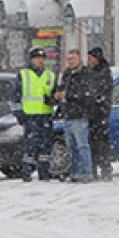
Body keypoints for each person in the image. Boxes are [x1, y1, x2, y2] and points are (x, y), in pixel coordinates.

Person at [54, 49, 96, 183]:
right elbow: (61, 89)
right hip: (68, 115)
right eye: (69, 59)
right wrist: (57, 95)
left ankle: (87, 173)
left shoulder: (86, 74)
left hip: (80, 115)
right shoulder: (66, 74)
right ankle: (75, 173)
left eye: (73, 59)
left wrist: (69, 95)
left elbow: (87, 95)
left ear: (79, 59)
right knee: (72, 147)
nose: (71, 62)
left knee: (82, 146)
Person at [17, 47, 57, 181]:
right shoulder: (24, 74)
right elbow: (16, 97)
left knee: (46, 146)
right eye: (37, 58)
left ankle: (44, 173)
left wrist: (53, 99)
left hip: (46, 115)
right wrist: (19, 115)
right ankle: (26, 173)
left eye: (42, 58)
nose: (40, 61)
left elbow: (54, 94)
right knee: (30, 146)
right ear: (32, 60)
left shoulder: (50, 75)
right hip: (30, 116)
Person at [84, 47, 115, 180]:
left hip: (100, 112)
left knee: (101, 142)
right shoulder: (88, 72)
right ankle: (93, 167)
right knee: (91, 141)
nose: (89, 61)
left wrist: (95, 99)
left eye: (91, 58)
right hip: (90, 113)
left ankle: (105, 167)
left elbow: (103, 91)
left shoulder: (104, 73)